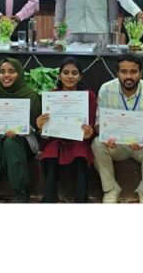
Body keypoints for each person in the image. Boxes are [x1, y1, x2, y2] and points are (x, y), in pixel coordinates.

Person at [92, 53, 143, 203]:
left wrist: (142, 138)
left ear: (141, 73)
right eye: (124, 72)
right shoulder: (106, 89)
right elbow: (98, 122)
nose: (128, 76)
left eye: (133, 72)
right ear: (117, 73)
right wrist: (105, 136)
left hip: (141, 143)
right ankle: (111, 189)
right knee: (97, 144)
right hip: (116, 144)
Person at [0, 58, 42, 203]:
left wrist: (20, 130)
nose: (6, 75)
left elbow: (36, 130)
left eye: (11, 71)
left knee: (11, 144)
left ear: (19, 73)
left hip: (24, 140)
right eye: (2, 72)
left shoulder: (30, 96)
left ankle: (22, 193)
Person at [36, 57, 96, 203]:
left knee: (81, 155)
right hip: (56, 139)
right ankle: (49, 198)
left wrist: (90, 132)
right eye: (66, 73)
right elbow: (45, 129)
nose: (70, 77)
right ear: (59, 75)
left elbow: (92, 124)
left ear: (80, 76)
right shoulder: (52, 95)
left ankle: (81, 200)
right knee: (50, 155)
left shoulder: (88, 96)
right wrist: (40, 125)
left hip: (79, 139)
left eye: (74, 73)